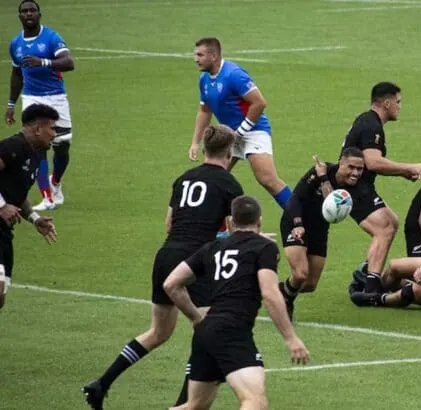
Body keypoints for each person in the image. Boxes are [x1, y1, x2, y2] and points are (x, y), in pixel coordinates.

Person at [83, 125, 243, 410]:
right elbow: (234, 231)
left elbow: (169, 223)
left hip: (166, 255)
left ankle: (101, 384)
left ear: (205, 149)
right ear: (229, 153)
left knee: (158, 332)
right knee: (207, 333)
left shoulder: (183, 179)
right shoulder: (228, 183)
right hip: (196, 262)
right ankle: (185, 404)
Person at [164, 195, 310, 410]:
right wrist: (290, 338)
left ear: (231, 222)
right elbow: (269, 293)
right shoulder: (264, 248)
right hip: (232, 332)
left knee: (195, 405)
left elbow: (171, 284)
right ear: (259, 221)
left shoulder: (213, 248)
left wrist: (196, 317)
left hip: (206, 332)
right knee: (255, 402)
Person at [341, 81, 421, 294]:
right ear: (386, 103)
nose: (400, 107)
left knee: (390, 220)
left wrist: (403, 172)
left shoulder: (367, 121)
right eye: (398, 102)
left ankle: (364, 271)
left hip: (359, 185)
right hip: (355, 187)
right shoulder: (371, 125)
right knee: (384, 228)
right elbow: (372, 162)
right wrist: (410, 166)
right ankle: (371, 285)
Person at [189, 37, 292, 212]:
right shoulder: (204, 80)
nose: (195, 59)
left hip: (253, 130)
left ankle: (302, 217)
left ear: (213, 56)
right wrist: (195, 142)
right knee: (214, 179)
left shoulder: (234, 74)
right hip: (229, 135)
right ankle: (219, 231)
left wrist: (241, 132)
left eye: (200, 55)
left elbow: (259, 103)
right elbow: (205, 111)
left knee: (268, 179)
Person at [278, 148, 366, 319]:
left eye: (360, 169)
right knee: (300, 274)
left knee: (310, 284)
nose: (355, 173)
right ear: (341, 163)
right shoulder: (319, 170)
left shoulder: (356, 186)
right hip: (296, 222)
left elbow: (331, 203)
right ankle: (285, 301)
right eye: (351, 167)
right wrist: (297, 224)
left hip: (319, 229)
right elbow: (295, 199)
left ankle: (279, 291)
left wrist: (323, 177)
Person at [6, 1, 75, 211]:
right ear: (19, 16)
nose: (29, 14)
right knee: (37, 146)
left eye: (32, 10)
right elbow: (17, 73)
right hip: (32, 98)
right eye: (24, 11)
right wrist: (11, 104)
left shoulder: (51, 37)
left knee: (62, 145)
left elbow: (69, 62)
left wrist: (43, 62)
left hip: (56, 97)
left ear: (39, 14)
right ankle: (47, 198)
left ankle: (56, 182)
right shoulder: (16, 44)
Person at [0, 103, 58, 308]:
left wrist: (34, 218)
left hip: (4, 233)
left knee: (1, 296)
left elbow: (19, 195)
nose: (54, 134)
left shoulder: (33, 157)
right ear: (37, 128)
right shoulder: (12, 147)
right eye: (52, 128)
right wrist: (1, 206)